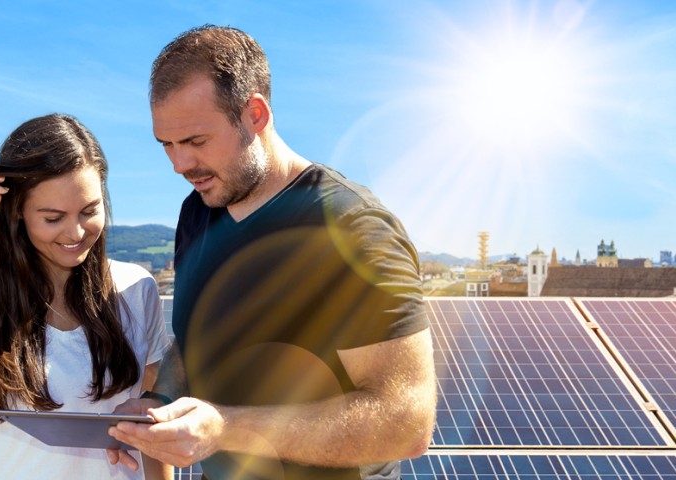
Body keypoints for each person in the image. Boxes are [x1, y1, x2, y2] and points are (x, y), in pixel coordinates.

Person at [109, 26, 436, 479]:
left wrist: (225, 429)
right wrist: (158, 404)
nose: (180, 165)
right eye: (167, 144)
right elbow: (194, 340)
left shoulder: (352, 229)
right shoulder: (197, 213)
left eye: (196, 142)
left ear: (255, 115)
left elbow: (406, 423)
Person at [0, 113, 172, 480]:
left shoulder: (136, 288)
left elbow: (155, 415)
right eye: (53, 217)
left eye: (89, 211)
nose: (76, 232)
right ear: (17, 211)